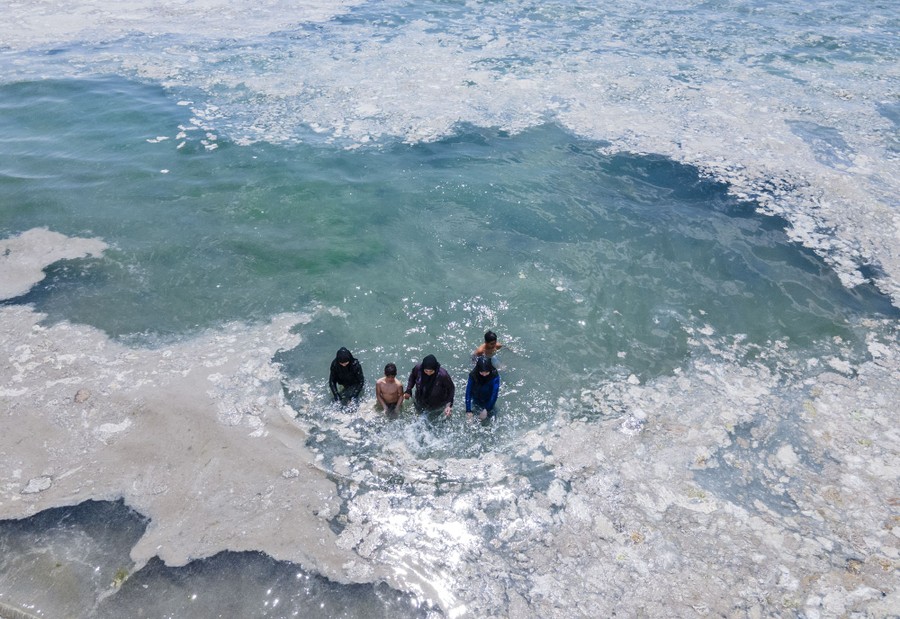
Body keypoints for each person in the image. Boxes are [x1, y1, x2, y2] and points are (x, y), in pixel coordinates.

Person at [403, 354, 455, 419]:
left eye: (431, 371)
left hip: (437, 404)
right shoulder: (418, 369)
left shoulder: (442, 375)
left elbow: (451, 389)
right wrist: (408, 390)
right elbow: (412, 377)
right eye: (426, 371)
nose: (428, 373)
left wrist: (448, 406)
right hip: (420, 399)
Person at [465, 356, 500, 422]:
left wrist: (486, 409)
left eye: (486, 372)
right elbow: (468, 392)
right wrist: (468, 410)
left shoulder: (494, 375)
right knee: (471, 421)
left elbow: (494, 394)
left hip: (488, 400)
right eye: (482, 372)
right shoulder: (473, 374)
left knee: (490, 420)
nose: (484, 375)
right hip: (476, 398)